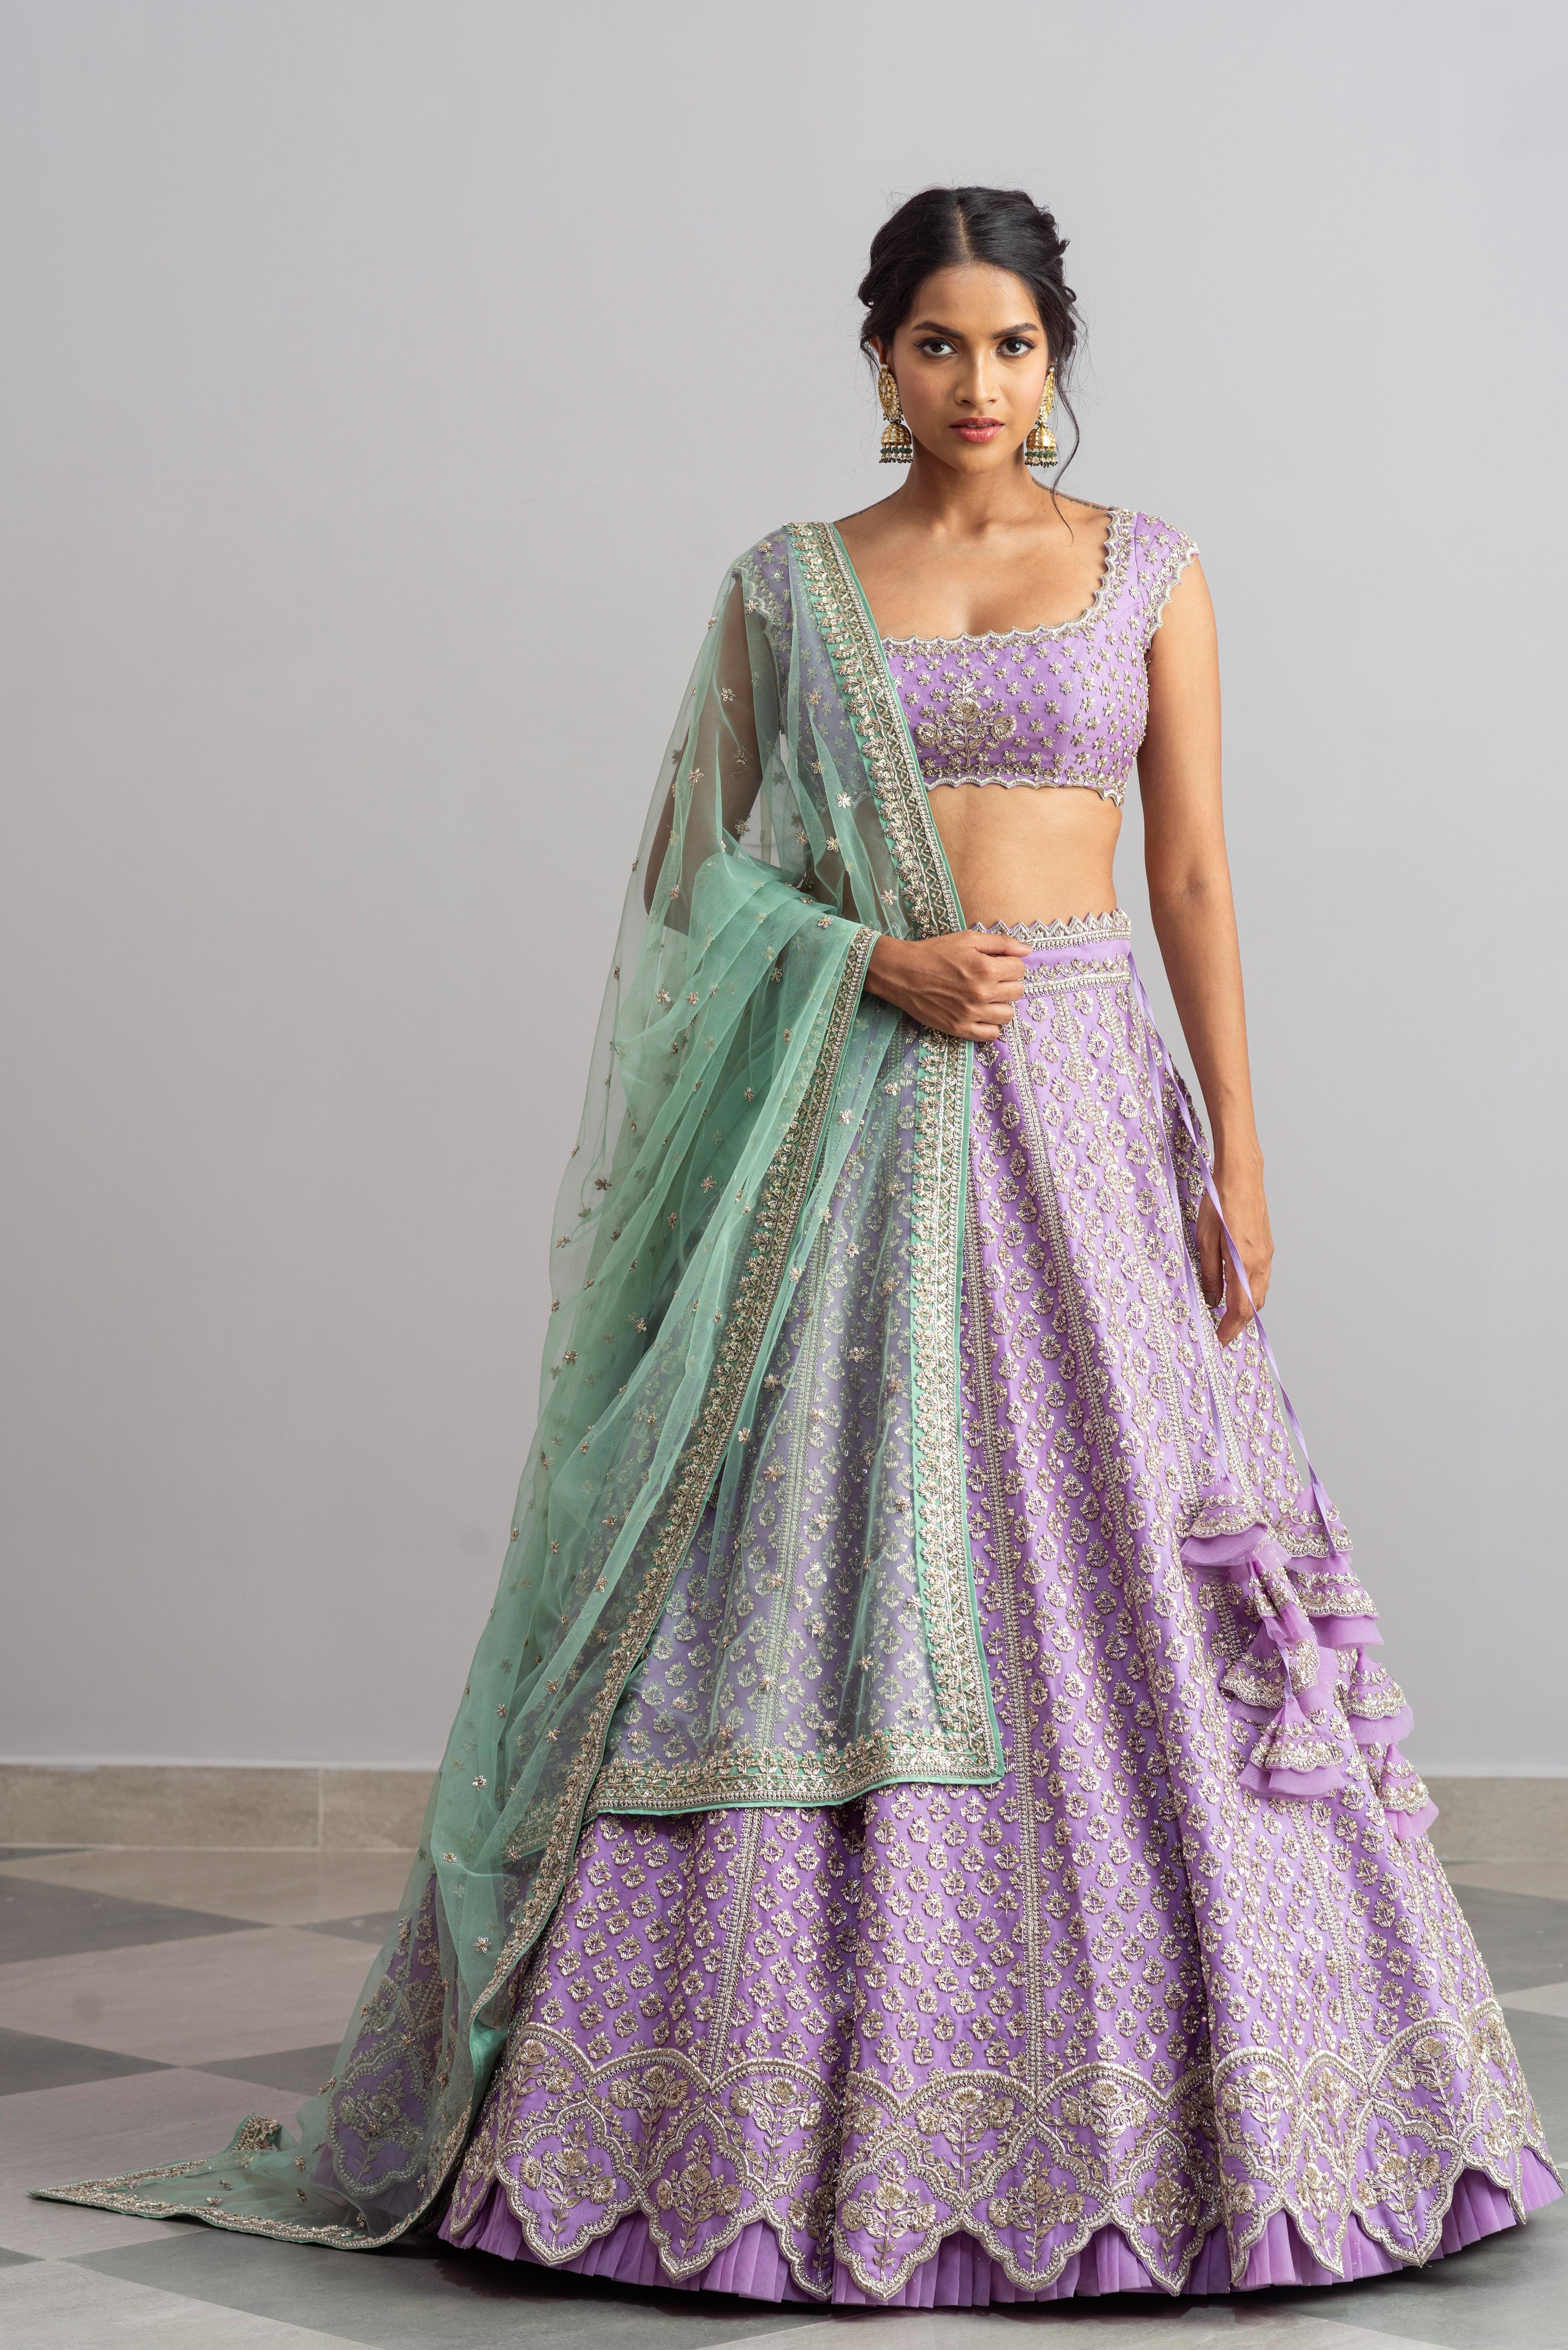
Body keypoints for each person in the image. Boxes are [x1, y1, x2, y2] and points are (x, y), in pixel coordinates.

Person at [41, 184, 1558, 2307]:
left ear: (1053, 357)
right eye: (936, 344)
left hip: (1080, 1118)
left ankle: (1231, 2116)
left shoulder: (1144, 569)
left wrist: (1238, 1141)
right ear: (878, 360)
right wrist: (866, 959)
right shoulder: (788, 587)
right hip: (849, 1134)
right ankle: (717, 2120)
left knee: (1126, 1561)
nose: (974, 382)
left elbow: (1193, 872)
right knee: (806, 1562)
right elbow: (695, 884)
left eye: (1009, 344)